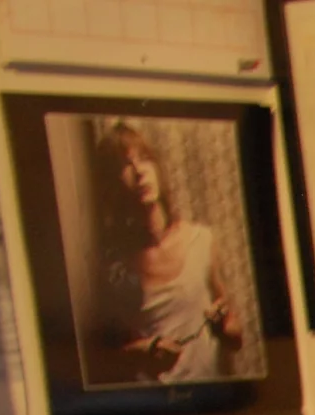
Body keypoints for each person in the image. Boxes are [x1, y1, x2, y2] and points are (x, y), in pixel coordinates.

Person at [87, 121, 245, 383]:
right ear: (112, 185)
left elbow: (236, 337)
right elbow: (110, 358)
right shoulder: (117, 267)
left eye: (144, 159)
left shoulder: (201, 240)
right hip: (154, 399)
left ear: (157, 168)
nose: (139, 171)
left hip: (207, 394)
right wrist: (146, 351)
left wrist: (224, 328)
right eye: (125, 165)